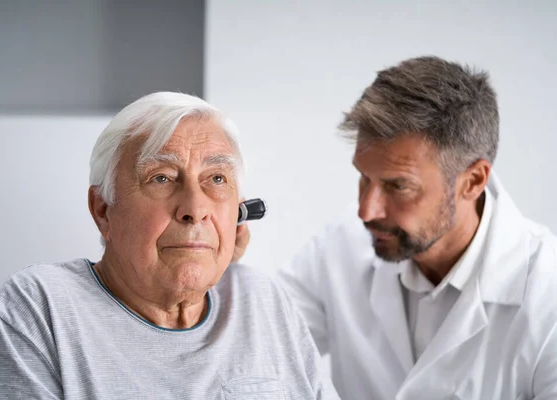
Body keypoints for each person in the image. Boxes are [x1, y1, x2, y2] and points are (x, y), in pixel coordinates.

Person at [0, 92, 339, 400]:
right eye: (161, 178)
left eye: (217, 178)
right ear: (103, 210)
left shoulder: (263, 301)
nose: (195, 209)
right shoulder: (41, 310)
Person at [235, 56, 557, 399]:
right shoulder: (342, 245)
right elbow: (252, 344)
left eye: (398, 186)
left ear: (473, 181)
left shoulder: (546, 293)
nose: (366, 210)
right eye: (364, 178)